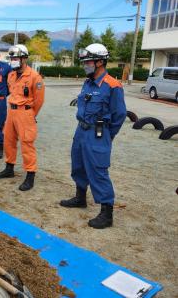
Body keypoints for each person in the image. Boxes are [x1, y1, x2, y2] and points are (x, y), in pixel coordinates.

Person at [60, 44, 126, 229]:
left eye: (88, 62)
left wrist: (106, 136)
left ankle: (107, 213)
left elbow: (119, 116)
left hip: (98, 133)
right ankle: (80, 198)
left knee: (98, 171)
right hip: (81, 131)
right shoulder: (88, 82)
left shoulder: (113, 86)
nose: (85, 65)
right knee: (78, 165)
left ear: (100, 62)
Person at [0, 45, 45, 191]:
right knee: (8, 140)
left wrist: (30, 115)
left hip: (26, 113)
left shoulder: (35, 76)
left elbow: (39, 100)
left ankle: (30, 175)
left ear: (24, 59)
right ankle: (9, 168)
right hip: (11, 111)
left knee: (27, 144)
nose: (13, 61)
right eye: (12, 58)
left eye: (16, 58)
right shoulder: (11, 75)